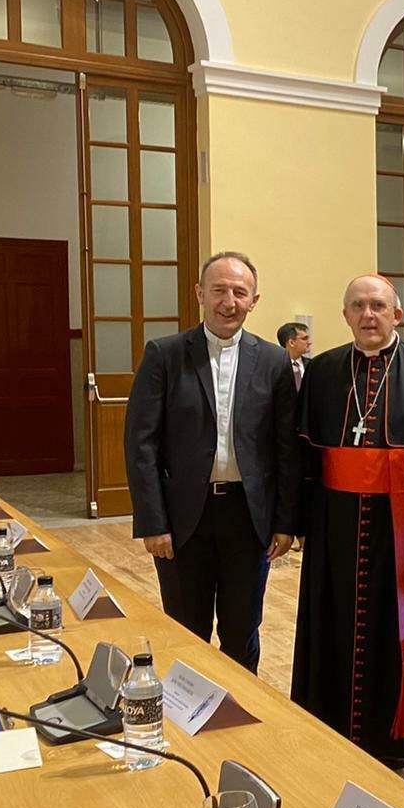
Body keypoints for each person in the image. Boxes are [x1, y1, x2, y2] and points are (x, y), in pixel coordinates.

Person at [290, 275, 404, 767]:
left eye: (378, 306)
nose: (368, 315)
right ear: (345, 316)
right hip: (335, 522)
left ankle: (400, 733)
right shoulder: (323, 370)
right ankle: (332, 721)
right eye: (357, 306)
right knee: (335, 615)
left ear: (396, 314)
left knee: (400, 619)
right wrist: (298, 522)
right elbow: (303, 455)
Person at [124, 252, 297, 673]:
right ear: (200, 293)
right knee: (186, 630)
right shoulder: (165, 355)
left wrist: (285, 521)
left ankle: (242, 707)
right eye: (219, 290)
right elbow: (140, 444)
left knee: (243, 629)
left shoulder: (274, 361)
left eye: (240, 292)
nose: (229, 301)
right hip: (183, 520)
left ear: (254, 300)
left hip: (248, 518)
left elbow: (286, 448)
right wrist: (152, 522)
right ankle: (186, 711)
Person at [277, 321, 312, 391]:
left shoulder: (311, 365)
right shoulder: (276, 366)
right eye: (304, 339)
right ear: (291, 343)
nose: (310, 342)